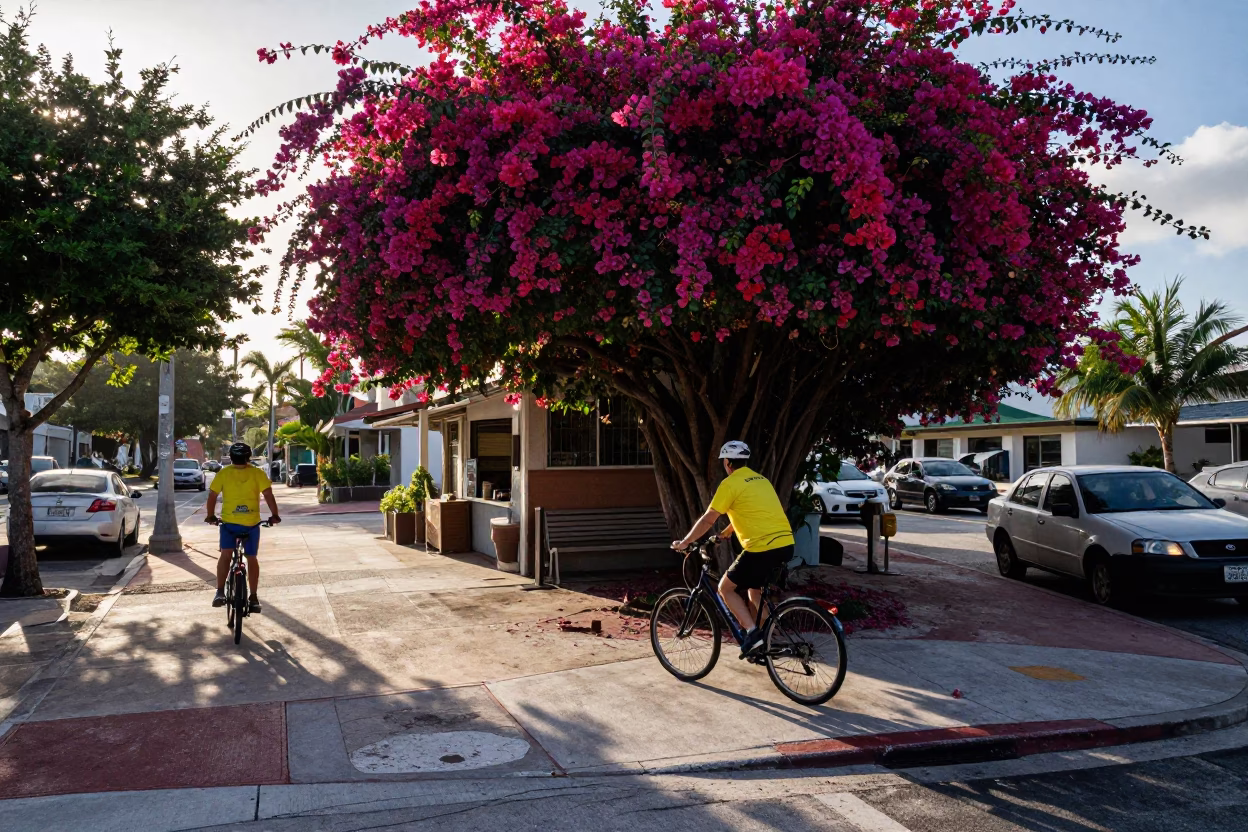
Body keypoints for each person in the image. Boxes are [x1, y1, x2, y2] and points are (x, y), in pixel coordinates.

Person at [672, 441, 795, 658]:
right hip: (785, 545)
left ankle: (753, 633)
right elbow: (755, 510)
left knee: (725, 588)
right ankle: (767, 639)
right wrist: (729, 531)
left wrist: (684, 542)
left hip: (761, 548)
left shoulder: (730, 484)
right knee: (753, 591)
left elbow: (708, 518)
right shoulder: (761, 480)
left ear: (727, 463)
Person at [205, 441, 281, 612]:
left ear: (230, 457)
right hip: (251, 525)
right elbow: (268, 495)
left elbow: (212, 495)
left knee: (226, 555)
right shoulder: (257, 473)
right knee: (252, 558)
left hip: (229, 525)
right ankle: (253, 597)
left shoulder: (223, 474)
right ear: (248, 457)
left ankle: (219, 592)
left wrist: (210, 516)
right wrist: (274, 515)